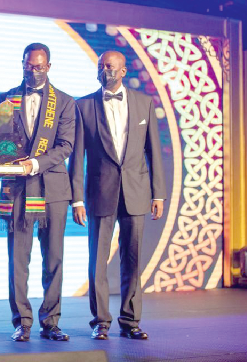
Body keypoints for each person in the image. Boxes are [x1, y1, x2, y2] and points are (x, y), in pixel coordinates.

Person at [68, 50, 166, 341]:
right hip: (99, 192)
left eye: (110, 66)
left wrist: (158, 194)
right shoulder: (83, 105)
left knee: (132, 258)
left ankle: (131, 320)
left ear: (123, 71)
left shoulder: (143, 103)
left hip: (136, 191)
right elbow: (77, 156)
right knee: (97, 260)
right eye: (101, 66)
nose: (104, 71)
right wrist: (77, 198)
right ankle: (101, 321)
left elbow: (153, 152)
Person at [0, 43, 74, 342]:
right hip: (18, 189)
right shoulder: (7, 99)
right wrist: (2, 159)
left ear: (48, 67)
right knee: (18, 260)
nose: (33, 71)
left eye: (38, 67)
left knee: (53, 259)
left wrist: (34, 164)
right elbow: (3, 141)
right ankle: (22, 322)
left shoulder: (65, 102)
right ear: (23, 64)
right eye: (28, 66)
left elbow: (66, 145)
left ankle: (51, 321)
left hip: (52, 189)